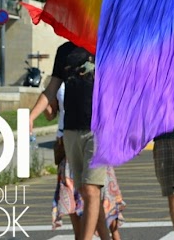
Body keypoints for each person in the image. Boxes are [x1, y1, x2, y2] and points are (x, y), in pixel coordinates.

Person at [30, 42, 111, 240]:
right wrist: (31, 116)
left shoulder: (106, 43)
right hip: (71, 131)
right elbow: (51, 89)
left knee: (91, 190)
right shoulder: (64, 51)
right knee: (85, 191)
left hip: (99, 130)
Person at [48, 83, 125, 239]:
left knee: (102, 199)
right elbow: (50, 114)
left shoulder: (95, 74)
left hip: (94, 140)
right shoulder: (60, 81)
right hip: (68, 146)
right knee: (74, 205)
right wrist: (45, 102)